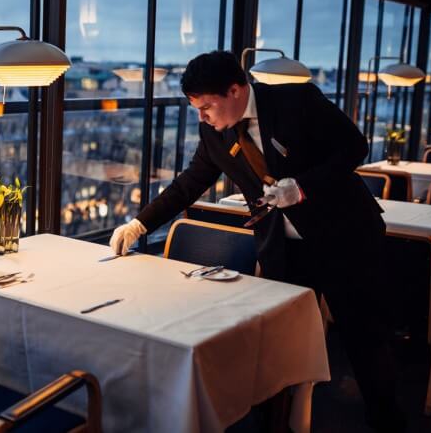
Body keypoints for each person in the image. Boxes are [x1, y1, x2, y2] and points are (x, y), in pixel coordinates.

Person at [110, 51, 403, 431]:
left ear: (235, 90)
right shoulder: (213, 132)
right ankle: (278, 423)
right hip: (285, 248)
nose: (202, 117)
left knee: (365, 340)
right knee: (279, 345)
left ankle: (387, 422)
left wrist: (302, 188)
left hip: (346, 238)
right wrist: (139, 224)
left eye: (207, 107)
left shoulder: (296, 100)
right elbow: (189, 184)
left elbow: (354, 146)